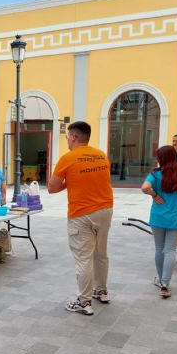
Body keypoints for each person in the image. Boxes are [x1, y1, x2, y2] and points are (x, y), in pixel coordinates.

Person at [48, 121, 114, 316]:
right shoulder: (101, 155)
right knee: (101, 254)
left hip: (82, 213)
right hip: (105, 210)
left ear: (74, 137)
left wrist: (70, 181)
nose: (67, 140)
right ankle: (101, 291)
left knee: (83, 258)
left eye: (68, 136)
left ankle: (84, 302)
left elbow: (51, 188)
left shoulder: (68, 158)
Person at [141, 145, 177, 298]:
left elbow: (144, 187)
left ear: (161, 159)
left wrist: (155, 195)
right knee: (170, 250)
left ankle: (160, 279)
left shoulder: (155, 175)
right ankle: (165, 284)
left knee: (159, 249)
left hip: (158, 217)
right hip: (175, 218)